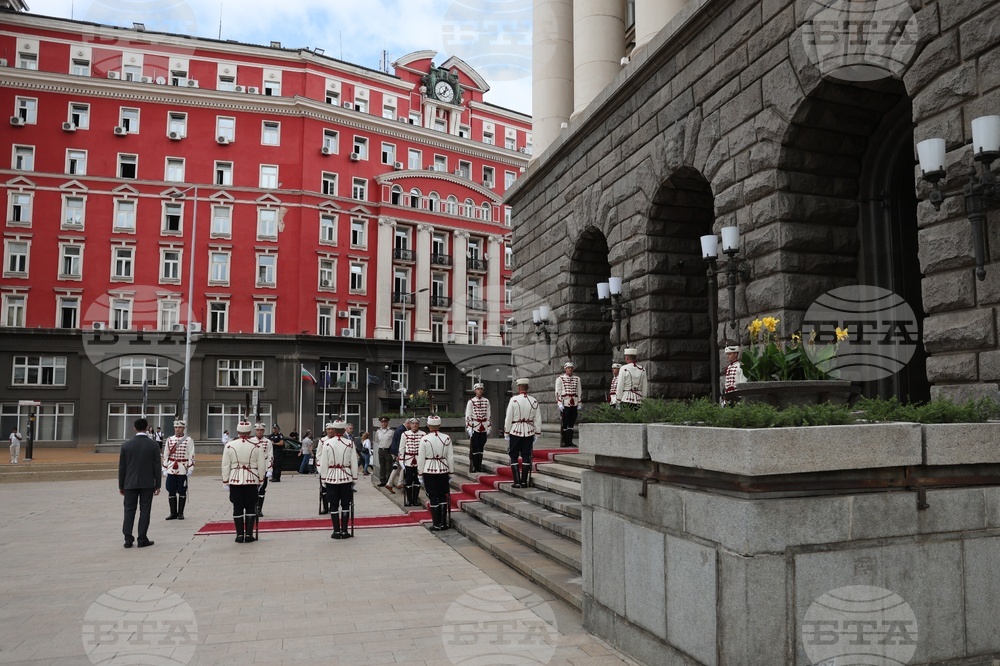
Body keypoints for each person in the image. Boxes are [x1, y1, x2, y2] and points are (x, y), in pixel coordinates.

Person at [221, 420, 267, 543]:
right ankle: (249, 534)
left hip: (235, 479)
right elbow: (261, 464)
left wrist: (225, 481)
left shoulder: (230, 445)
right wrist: (261, 479)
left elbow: (225, 465)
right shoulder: (257, 445)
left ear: (238, 431)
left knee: (237, 507)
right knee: (251, 506)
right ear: (250, 431)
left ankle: (239, 535)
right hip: (251, 479)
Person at [118, 417, 161, 548]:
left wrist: (121, 485)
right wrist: (157, 484)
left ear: (134, 428)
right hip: (147, 483)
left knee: (129, 510)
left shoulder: (126, 445)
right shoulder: (153, 445)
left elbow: (122, 467)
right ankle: (142, 538)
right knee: (145, 510)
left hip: (130, 483)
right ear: (147, 427)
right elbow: (156, 466)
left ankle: (128, 538)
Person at [316, 419, 358, 539]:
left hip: (331, 476)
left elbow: (324, 463)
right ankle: (344, 531)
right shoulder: (350, 443)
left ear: (334, 430)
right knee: (346, 504)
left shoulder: (327, 443)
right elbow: (354, 463)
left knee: (333, 505)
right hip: (346, 476)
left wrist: (323, 479)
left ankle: (336, 531)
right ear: (344, 429)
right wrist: (354, 478)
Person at [418, 414, 454, 531]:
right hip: (443, 470)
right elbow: (450, 456)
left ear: (428, 426)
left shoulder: (424, 439)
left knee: (433, 496)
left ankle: (436, 523)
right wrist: (451, 472)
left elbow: (421, 458)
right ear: (440, 425)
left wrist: (420, 473)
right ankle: (443, 523)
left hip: (429, 470)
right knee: (443, 495)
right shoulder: (447, 438)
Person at [504, 378, 542, 489]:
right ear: (527, 387)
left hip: (515, 431)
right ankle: (524, 481)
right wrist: (537, 432)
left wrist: (507, 431)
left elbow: (509, 417)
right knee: (526, 455)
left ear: (519, 387)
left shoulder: (514, 400)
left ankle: (517, 481)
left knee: (514, 455)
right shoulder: (534, 400)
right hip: (529, 431)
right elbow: (538, 418)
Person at [162, 419, 195, 520]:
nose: (177, 429)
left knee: (182, 490)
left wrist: (190, 468)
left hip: (182, 467)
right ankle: (173, 513)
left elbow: (191, 455)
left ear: (183, 428)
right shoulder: (169, 439)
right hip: (171, 467)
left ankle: (181, 513)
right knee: (171, 490)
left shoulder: (189, 440)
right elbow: (166, 454)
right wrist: (164, 467)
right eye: (176, 427)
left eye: (180, 427)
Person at [465, 383, 491, 473]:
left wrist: (488, 426)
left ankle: (479, 465)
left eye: (481, 389)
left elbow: (488, 415)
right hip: (475, 426)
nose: (480, 390)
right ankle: (474, 465)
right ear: (475, 390)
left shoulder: (486, 401)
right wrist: (469, 427)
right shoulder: (471, 401)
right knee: (474, 447)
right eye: (478, 389)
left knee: (481, 446)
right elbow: (468, 415)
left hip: (483, 426)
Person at [555, 361, 582, 447]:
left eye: (571, 368)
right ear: (565, 369)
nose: (570, 369)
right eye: (568, 368)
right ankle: (564, 441)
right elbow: (557, 392)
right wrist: (559, 403)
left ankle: (570, 441)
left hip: (574, 402)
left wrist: (579, 402)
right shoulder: (560, 379)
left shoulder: (577, 379)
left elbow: (579, 391)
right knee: (565, 423)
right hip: (565, 403)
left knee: (571, 423)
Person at [399, 417, 425, 506]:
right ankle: (409, 500)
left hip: (419, 460)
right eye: (413, 424)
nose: (415, 425)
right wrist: (401, 460)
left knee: (417, 480)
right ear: (409, 425)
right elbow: (401, 447)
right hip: (408, 460)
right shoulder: (405, 434)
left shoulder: (423, 434)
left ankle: (415, 499)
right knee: (408, 480)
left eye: (416, 424)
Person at [252, 422, 273, 517]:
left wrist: (270, 469)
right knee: (253, 489)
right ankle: (253, 507)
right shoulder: (251, 441)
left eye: (261, 430)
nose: (259, 432)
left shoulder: (268, 442)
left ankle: (259, 508)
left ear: (264, 431)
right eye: (257, 430)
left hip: (264, 466)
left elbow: (270, 456)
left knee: (262, 489)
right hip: (254, 467)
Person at [384, 421, 407, 493]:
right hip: (398, 452)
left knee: (397, 468)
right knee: (404, 466)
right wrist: (399, 454)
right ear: (408, 423)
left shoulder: (400, 428)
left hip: (395, 451)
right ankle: (400, 482)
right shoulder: (402, 430)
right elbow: (400, 443)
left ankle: (389, 483)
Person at [374, 417, 394, 486]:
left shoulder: (391, 431)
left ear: (387, 422)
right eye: (382, 422)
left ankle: (389, 481)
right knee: (382, 466)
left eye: (385, 422)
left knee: (389, 466)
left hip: (388, 450)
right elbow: (376, 440)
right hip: (381, 450)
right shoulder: (378, 432)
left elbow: (393, 441)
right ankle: (382, 480)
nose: (383, 423)